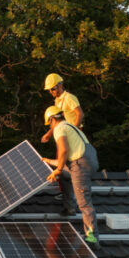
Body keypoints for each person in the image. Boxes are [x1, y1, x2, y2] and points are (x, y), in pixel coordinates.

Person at [41, 105, 98, 247]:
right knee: (66, 176)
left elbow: (64, 151)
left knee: (84, 202)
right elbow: (65, 159)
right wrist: (50, 162)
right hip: (85, 160)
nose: (51, 127)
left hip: (81, 165)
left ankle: (92, 238)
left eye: (50, 123)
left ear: (53, 119)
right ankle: (69, 207)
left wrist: (58, 170)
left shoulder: (60, 128)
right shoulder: (70, 126)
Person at [40, 73, 83, 144]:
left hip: (75, 133)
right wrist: (49, 134)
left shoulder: (69, 97)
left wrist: (73, 131)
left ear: (60, 85)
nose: (51, 92)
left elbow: (80, 114)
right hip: (66, 133)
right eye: (49, 90)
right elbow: (57, 122)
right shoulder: (57, 101)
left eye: (53, 89)